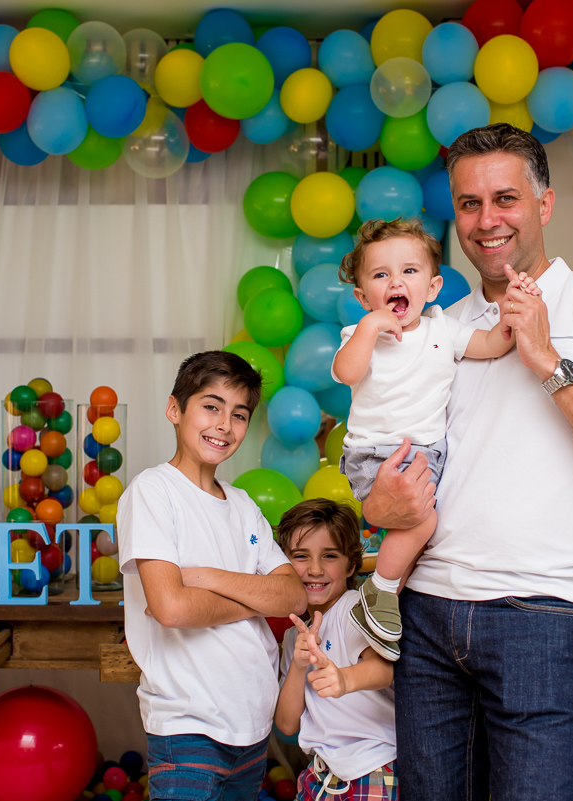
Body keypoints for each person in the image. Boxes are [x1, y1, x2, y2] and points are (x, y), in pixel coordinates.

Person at [362, 124, 573, 800]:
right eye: (469, 203)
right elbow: (388, 456)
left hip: (539, 615)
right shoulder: (438, 325)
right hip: (427, 614)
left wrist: (548, 361)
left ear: (545, 203)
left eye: (505, 198)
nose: (487, 220)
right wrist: (376, 504)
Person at [331, 218, 540, 658]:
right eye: (381, 275)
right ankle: (378, 591)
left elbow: (491, 344)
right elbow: (347, 372)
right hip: (377, 453)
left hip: (427, 453)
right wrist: (369, 328)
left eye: (409, 271)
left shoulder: (443, 329)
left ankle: (384, 605)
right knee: (422, 521)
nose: (396, 282)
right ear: (363, 297)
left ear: (432, 287)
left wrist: (509, 316)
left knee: (424, 528)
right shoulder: (359, 335)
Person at [116, 350, 308, 800]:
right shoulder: (153, 491)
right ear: (174, 409)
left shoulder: (243, 504)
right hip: (188, 726)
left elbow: (294, 597)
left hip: (253, 726)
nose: (224, 424)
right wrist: (255, 601)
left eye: (239, 415)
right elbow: (172, 609)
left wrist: (206, 577)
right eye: (211, 406)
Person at [275, 499, 398, 801]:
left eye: (329, 556)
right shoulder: (294, 635)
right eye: (300, 556)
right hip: (323, 772)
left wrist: (343, 678)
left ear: (351, 565)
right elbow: (287, 724)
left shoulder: (353, 609)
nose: (315, 569)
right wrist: (298, 665)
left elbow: (382, 669)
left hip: (373, 765)